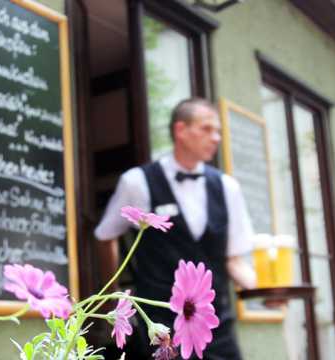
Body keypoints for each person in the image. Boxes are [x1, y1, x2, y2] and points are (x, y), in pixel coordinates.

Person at [94, 98, 257, 359]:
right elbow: (105, 236)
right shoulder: (137, 182)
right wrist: (113, 295)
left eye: (218, 131)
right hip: (159, 326)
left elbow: (234, 260)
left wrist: (265, 290)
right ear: (181, 130)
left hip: (215, 325)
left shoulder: (228, 187)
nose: (216, 138)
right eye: (206, 129)